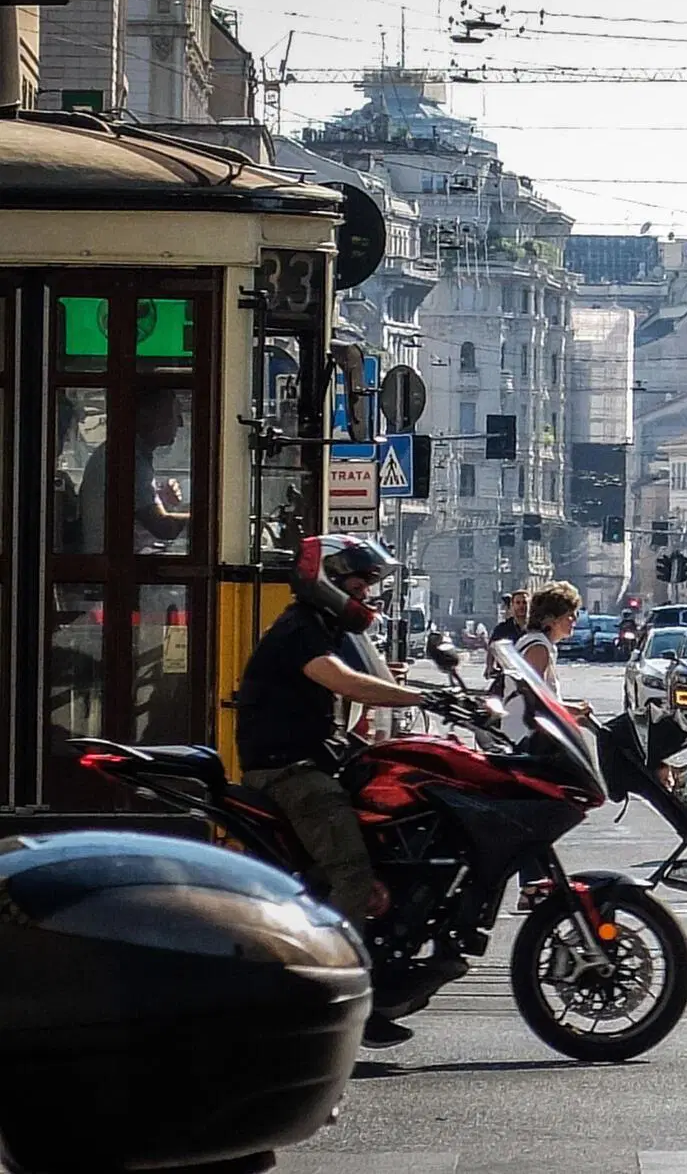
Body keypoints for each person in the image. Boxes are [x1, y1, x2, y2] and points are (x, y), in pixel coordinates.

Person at [235, 534, 428, 1048]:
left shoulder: (325, 627)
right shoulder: (301, 627)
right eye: (358, 582)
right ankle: (336, 1005)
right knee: (352, 873)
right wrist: (421, 694)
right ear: (328, 581)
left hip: (312, 759)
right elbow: (345, 682)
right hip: (288, 771)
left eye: (368, 583)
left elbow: (358, 686)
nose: (366, 592)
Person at [79, 388, 190, 554]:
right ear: (147, 417)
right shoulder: (128, 458)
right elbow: (163, 527)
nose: (179, 423)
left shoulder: (123, 451)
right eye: (172, 414)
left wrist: (160, 499)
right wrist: (208, 518)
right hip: (115, 566)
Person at [501, 581, 594, 739]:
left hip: (532, 733)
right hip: (525, 737)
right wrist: (572, 710)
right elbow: (535, 701)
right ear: (551, 619)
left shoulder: (537, 642)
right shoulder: (538, 648)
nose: (574, 620)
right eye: (569, 615)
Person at [486, 589, 528, 682]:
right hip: (507, 675)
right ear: (512, 606)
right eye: (518, 603)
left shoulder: (536, 628)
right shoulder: (502, 629)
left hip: (530, 676)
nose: (521, 606)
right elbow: (492, 647)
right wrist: (489, 667)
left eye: (524, 602)